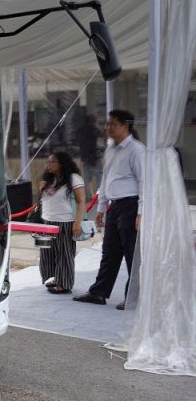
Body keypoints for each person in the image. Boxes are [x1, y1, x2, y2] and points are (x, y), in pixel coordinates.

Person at [74, 109, 144, 309]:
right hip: (114, 206)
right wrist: (101, 207)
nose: (108, 128)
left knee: (132, 252)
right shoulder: (110, 149)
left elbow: (144, 182)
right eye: (108, 124)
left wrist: (141, 211)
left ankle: (134, 297)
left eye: (113, 124)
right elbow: (106, 180)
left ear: (125, 126)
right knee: (109, 251)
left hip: (131, 204)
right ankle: (99, 292)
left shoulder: (136, 150)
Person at [37, 152, 86, 294]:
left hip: (65, 222)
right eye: (48, 161)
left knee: (64, 253)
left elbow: (81, 201)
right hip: (46, 221)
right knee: (47, 252)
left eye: (53, 162)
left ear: (62, 163)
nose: (49, 164)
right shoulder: (49, 179)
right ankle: (56, 277)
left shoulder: (74, 178)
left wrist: (77, 223)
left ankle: (64, 283)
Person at [75, 115, 102, 200]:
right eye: (94, 121)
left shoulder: (79, 131)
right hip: (94, 157)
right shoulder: (94, 130)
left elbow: (77, 142)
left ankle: (88, 196)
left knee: (87, 179)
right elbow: (101, 135)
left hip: (85, 158)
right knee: (99, 178)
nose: (95, 123)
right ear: (91, 122)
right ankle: (100, 196)